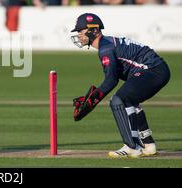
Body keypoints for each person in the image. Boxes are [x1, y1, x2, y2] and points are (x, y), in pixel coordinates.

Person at [70, 13, 170, 158]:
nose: (78, 35)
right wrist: (94, 98)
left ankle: (131, 146)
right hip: (157, 69)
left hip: (153, 70)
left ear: (94, 30)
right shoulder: (107, 44)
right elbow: (114, 78)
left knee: (119, 99)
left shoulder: (106, 49)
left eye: (81, 31)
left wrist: (92, 101)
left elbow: (111, 80)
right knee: (129, 99)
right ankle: (148, 145)